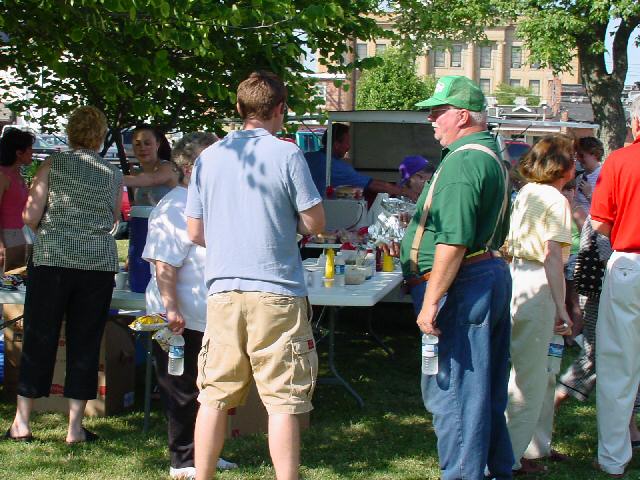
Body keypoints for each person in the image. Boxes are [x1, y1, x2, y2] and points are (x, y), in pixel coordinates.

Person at [185, 71, 325, 480]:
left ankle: (203, 475)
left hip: (223, 289)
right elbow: (315, 222)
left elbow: (195, 231)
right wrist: (283, 227)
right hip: (276, 289)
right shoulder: (287, 154)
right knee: (282, 400)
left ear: (239, 108)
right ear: (280, 109)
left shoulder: (209, 157)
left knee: (213, 395)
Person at [395, 75, 513, 479]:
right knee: (482, 392)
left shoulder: (464, 161)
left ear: (462, 116)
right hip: (481, 277)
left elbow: (453, 241)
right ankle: (493, 469)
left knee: (456, 395)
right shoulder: (486, 154)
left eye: (438, 111)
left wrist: (431, 302)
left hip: (462, 284)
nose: (431, 119)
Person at [6, 106, 122, 443]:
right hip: (97, 265)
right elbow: (115, 218)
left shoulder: (53, 164)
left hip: (53, 260)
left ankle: (22, 423)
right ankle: (74, 428)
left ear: (71, 132)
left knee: (39, 337)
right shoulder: (112, 172)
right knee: (85, 342)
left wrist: (50, 231)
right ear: (100, 136)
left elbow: (30, 216)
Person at [142, 132, 237, 480]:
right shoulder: (173, 207)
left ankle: (206, 453)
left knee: (208, 389)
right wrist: (171, 310)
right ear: (189, 167)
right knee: (181, 390)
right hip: (179, 319)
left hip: (208, 315)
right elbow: (164, 265)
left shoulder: (208, 204)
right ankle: (182, 461)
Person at [504, 134, 575, 474]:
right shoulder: (555, 199)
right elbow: (552, 257)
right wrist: (562, 307)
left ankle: (534, 446)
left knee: (543, 370)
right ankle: (511, 457)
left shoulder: (527, 192)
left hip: (519, 276)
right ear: (563, 166)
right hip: (539, 281)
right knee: (530, 377)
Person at [590, 96, 640, 477]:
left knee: (618, 365)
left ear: (635, 124)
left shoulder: (620, 161)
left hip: (629, 264)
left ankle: (613, 457)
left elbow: (600, 223)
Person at [304, 123, 417, 200]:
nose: (349, 147)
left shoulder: (308, 157)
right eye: (347, 142)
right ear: (337, 144)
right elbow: (373, 184)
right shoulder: (337, 167)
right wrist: (406, 191)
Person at [0, 127, 34, 270]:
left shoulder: (17, 174)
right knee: (8, 280)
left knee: (17, 277)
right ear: (18, 153)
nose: (32, 152)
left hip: (21, 234)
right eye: (29, 149)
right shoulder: (2, 175)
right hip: (7, 236)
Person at [124, 125, 179, 206]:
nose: (142, 148)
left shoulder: (168, 167)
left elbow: (152, 179)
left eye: (147, 143)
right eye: (137, 144)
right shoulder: (136, 172)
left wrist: (113, 178)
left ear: (157, 144)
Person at [574, 136, 603, 213]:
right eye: (577, 156)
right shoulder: (580, 176)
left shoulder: (604, 176)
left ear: (595, 154)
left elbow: (604, 209)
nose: (578, 159)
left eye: (581, 155)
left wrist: (589, 194)